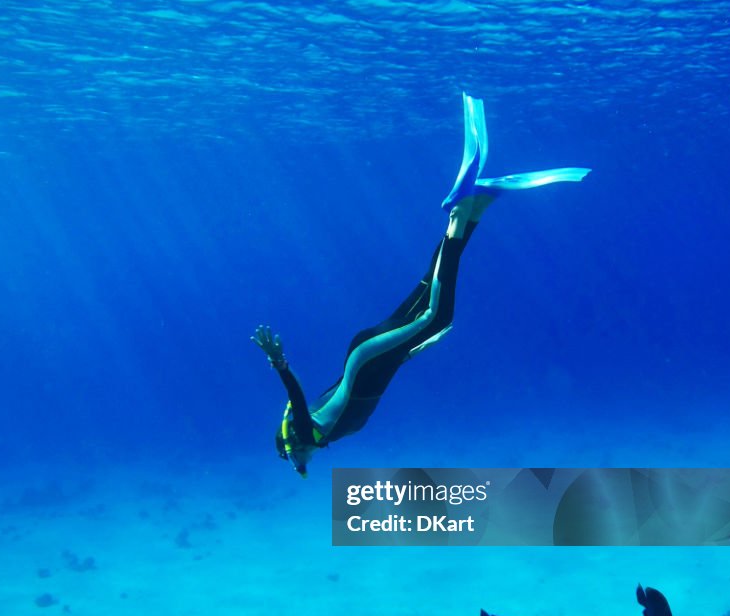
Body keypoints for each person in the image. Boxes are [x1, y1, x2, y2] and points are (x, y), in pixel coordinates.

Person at [252, 93, 589, 477]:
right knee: (431, 294)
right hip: (372, 357)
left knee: (438, 313)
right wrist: (409, 352)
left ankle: (459, 211)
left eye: (292, 457)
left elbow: (299, 399)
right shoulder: (320, 436)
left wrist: (279, 364)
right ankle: (473, 210)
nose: (299, 463)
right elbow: (350, 387)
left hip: (367, 356)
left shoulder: (305, 431)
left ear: (291, 443)